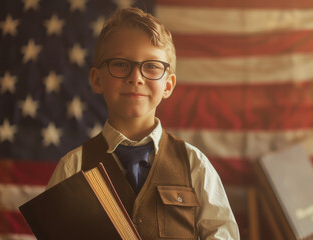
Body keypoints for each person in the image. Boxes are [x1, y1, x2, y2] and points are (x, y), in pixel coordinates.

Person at [47, 7, 240, 240]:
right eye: (120, 64)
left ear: (168, 85)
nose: (136, 77)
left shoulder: (193, 165)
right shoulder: (72, 168)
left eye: (151, 66)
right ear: (97, 79)